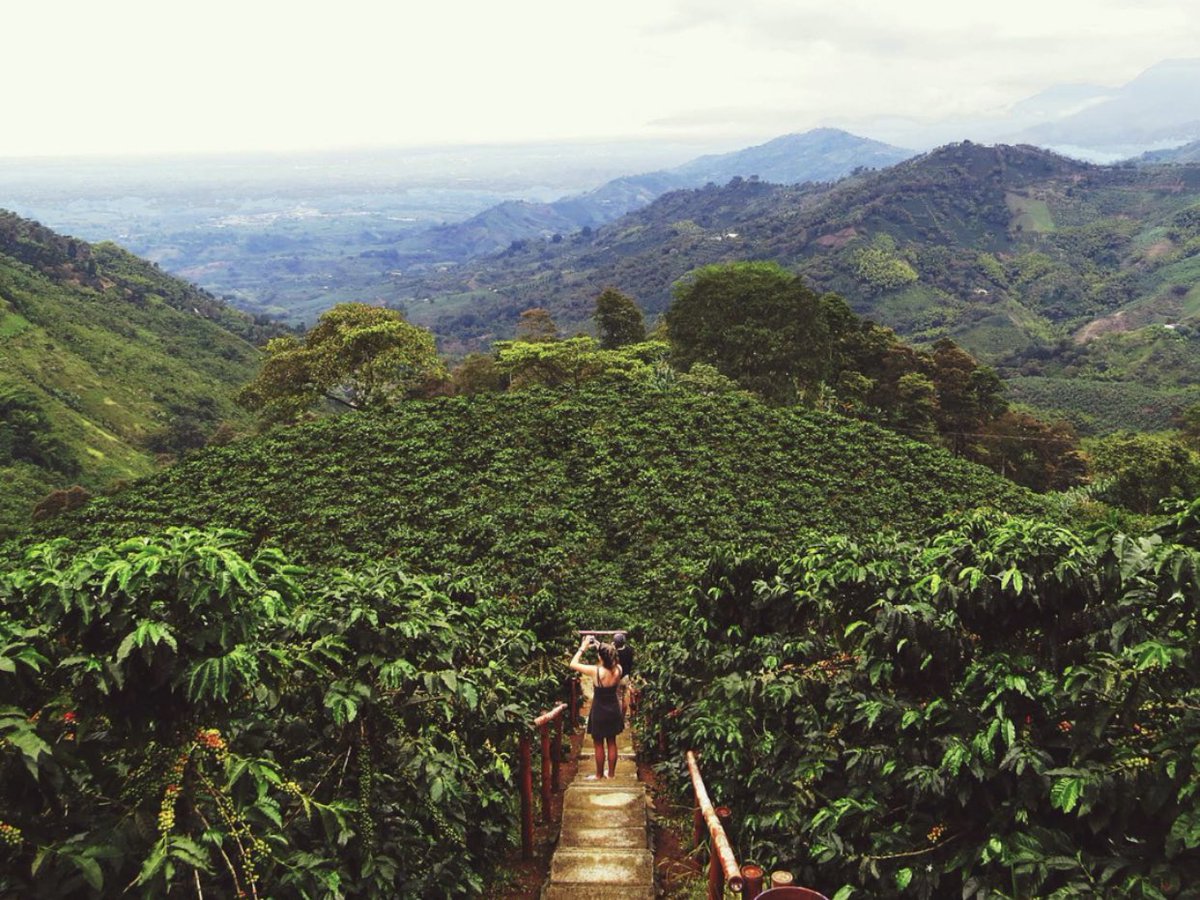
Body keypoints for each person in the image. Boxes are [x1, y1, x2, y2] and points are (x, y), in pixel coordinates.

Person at [570, 634, 623, 779]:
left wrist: (583, 647)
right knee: (612, 741)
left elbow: (572, 664)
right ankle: (611, 774)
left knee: (598, 743)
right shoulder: (618, 669)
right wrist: (600, 646)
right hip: (614, 708)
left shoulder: (596, 671)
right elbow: (608, 654)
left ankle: (599, 775)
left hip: (599, 709)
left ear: (600, 657)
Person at [613, 632, 634, 716]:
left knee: (618, 697)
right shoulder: (629, 650)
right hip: (626, 676)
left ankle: (618, 717)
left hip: (618, 676)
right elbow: (630, 663)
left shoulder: (615, 652)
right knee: (625, 697)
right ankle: (623, 716)